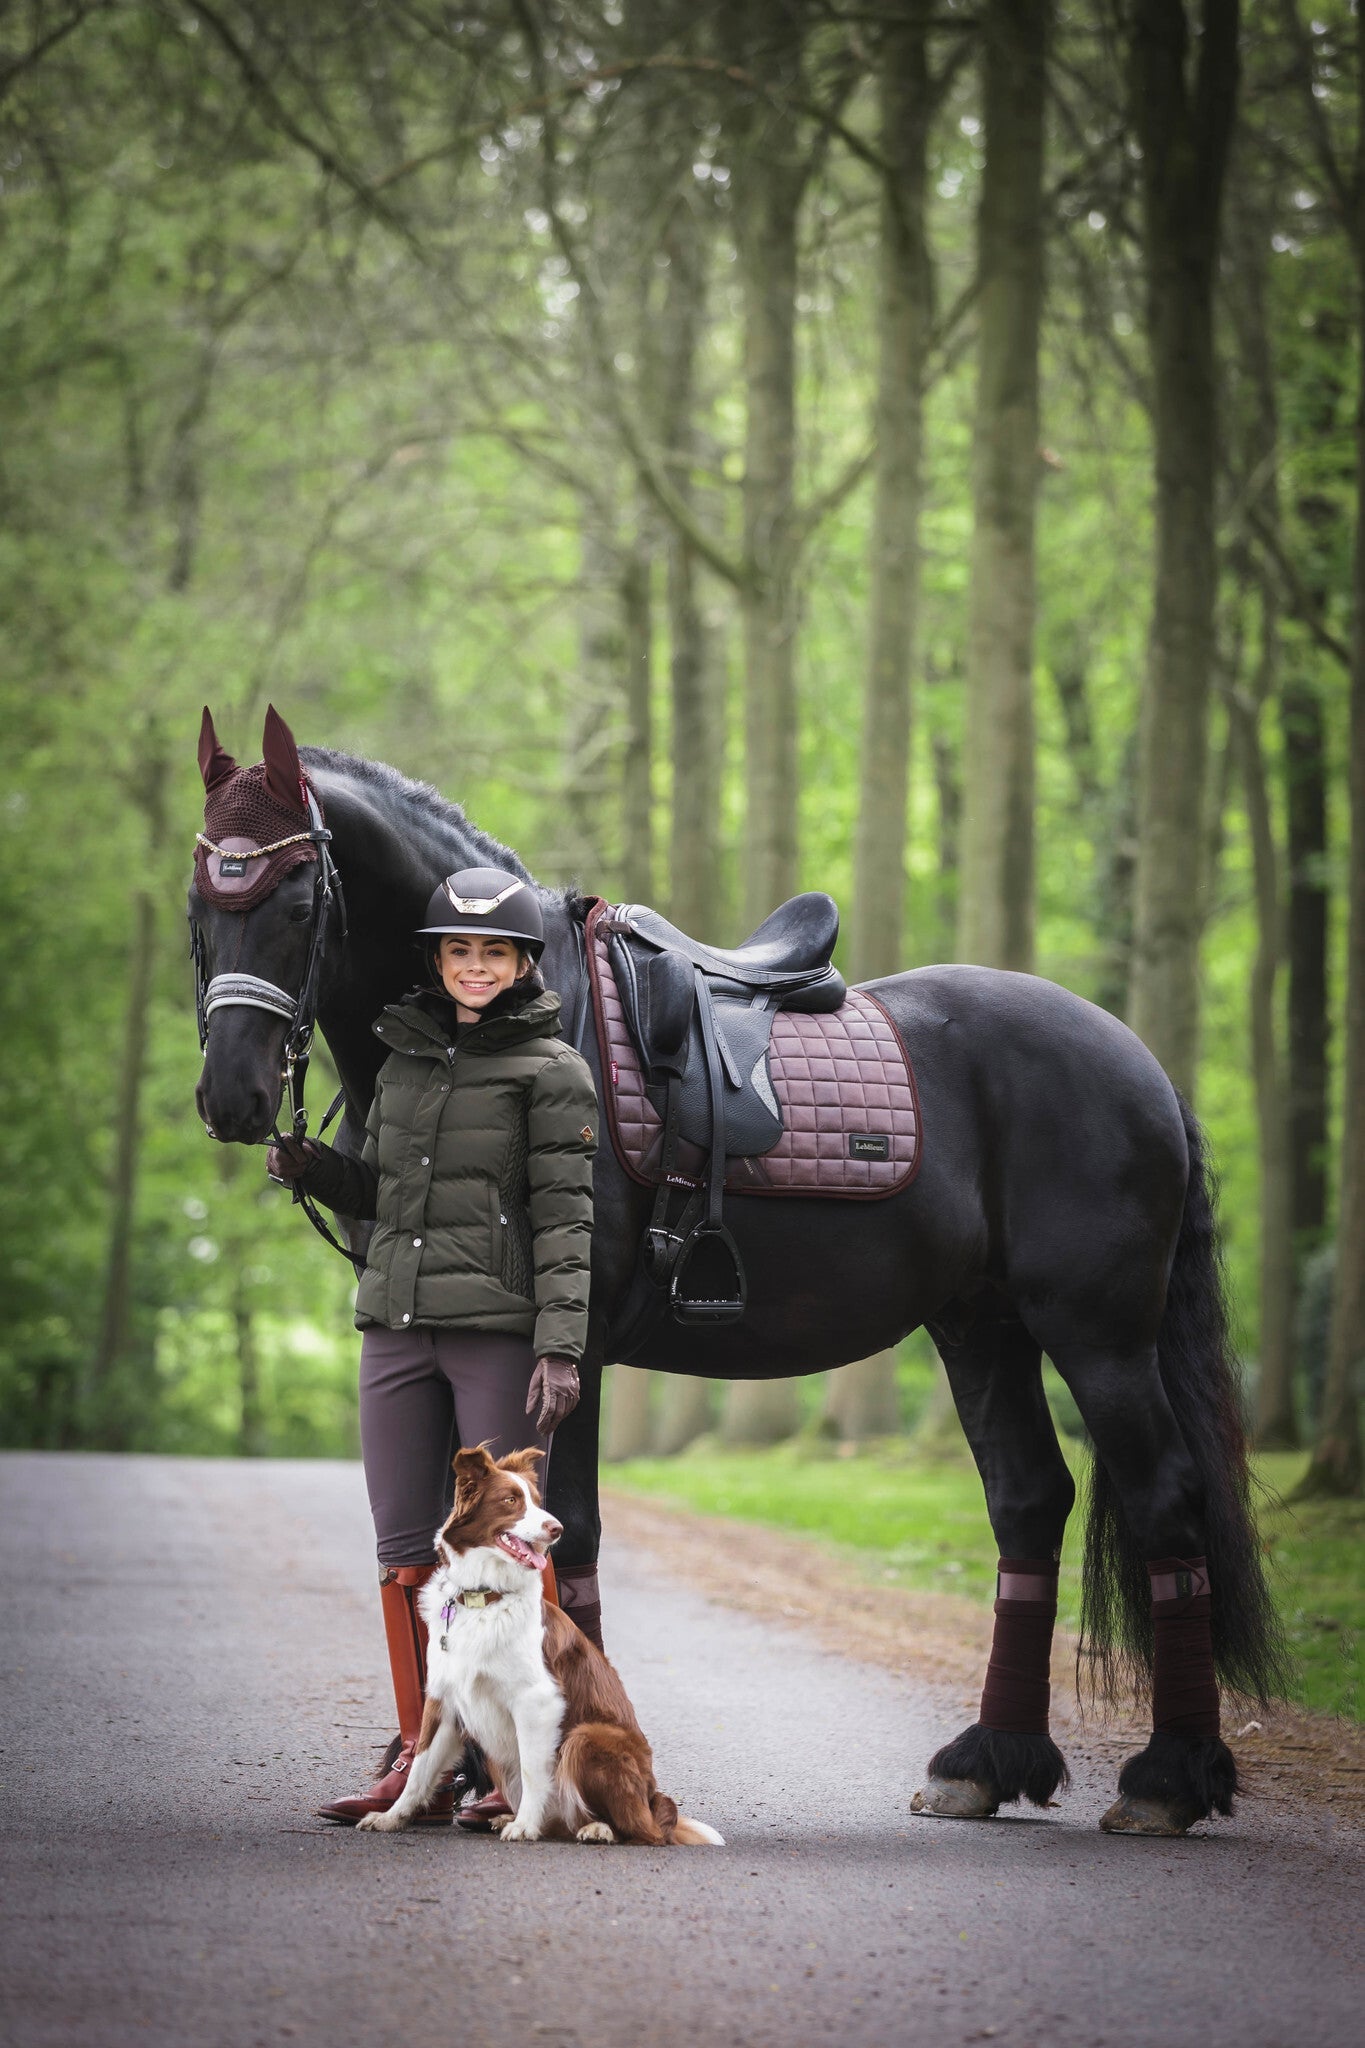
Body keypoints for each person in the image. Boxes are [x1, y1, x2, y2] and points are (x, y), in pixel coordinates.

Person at [267, 866, 597, 1826]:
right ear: (436, 959)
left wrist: (560, 1347)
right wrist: (316, 1169)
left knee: (503, 1553)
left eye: (495, 951)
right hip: (395, 1331)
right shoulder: (400, 1063)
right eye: (459, 949)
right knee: (405, 1550)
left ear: (524, 963)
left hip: (497, 1336)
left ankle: (509, 1774)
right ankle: (421, 1755)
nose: (475, 966)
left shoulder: (552, 1071)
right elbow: (381, 1192)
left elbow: (567, 1224)